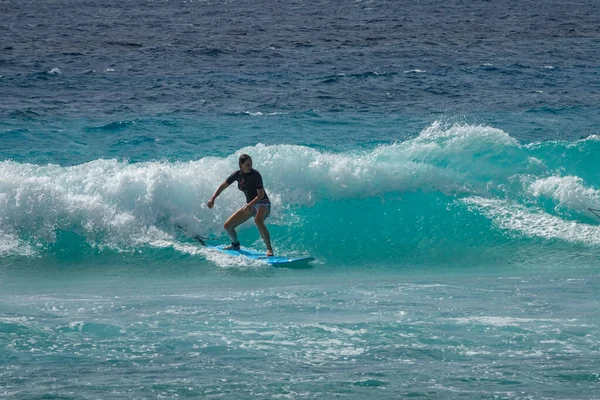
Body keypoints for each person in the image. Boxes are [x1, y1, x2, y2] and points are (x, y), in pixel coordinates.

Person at [207, 154, 274, 256]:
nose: (250, 166)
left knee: (258, 220)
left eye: (251, 164)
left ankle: (269, 249)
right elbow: (222, 186)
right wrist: (213, 198)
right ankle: (235, 244)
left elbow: (260, 195)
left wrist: (250, 205)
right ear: (241, 165)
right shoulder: (237, 175)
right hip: (250, 205)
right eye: (247, 164)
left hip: (262, 203)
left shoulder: (256, 175)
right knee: (228, 226)